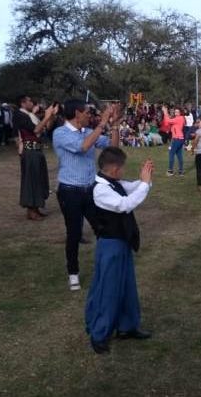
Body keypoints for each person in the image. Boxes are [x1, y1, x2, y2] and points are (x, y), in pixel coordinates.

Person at [84, 147, 154, 354]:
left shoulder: (113, 183)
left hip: (122, 242)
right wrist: (143, 184)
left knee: (126, 285)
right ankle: (99, 333)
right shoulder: (100, 190)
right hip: (110, 245)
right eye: (122, 167)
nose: (123, 171)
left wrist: (146, 179)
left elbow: (131, 188)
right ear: (114, 169)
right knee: (108, 289)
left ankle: (127, 326)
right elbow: (125, 204)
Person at [52, 100, 121, 291]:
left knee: (103, 229)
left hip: (91, 190)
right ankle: (73, 273)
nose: (89, 116)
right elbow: (82, 147)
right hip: (70, 191)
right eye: (87, 113)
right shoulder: (60, 133)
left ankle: (107, 268)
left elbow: (112, 148)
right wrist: (102, 123)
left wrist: (113, 124)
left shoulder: (88, 132)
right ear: (77, 113)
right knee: (74, 233)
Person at [14, 96, 58, 221]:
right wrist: (46, 116)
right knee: (32, 180)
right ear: (23, 103)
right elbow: (36, 129)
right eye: (29, 101)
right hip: (30, 151)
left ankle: (35, 208)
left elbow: (46, 127)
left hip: (36, 150)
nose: (32, 103)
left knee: (38, 179)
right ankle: (31, 210)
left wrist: (51, 116)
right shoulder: (20, 115)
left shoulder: (30, 116)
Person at [164, 106, 186, 176]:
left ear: (180, 113)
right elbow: (167, 123)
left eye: (177, 112)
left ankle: (170, 171)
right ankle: (181, 171)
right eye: (175, 111)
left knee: (171, 154)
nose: (175, 113)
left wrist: (165, 112)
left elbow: (168, 121)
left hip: (177, 139)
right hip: (180, 139)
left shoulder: (179, 118)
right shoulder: (179, 118)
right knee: (179, 155)